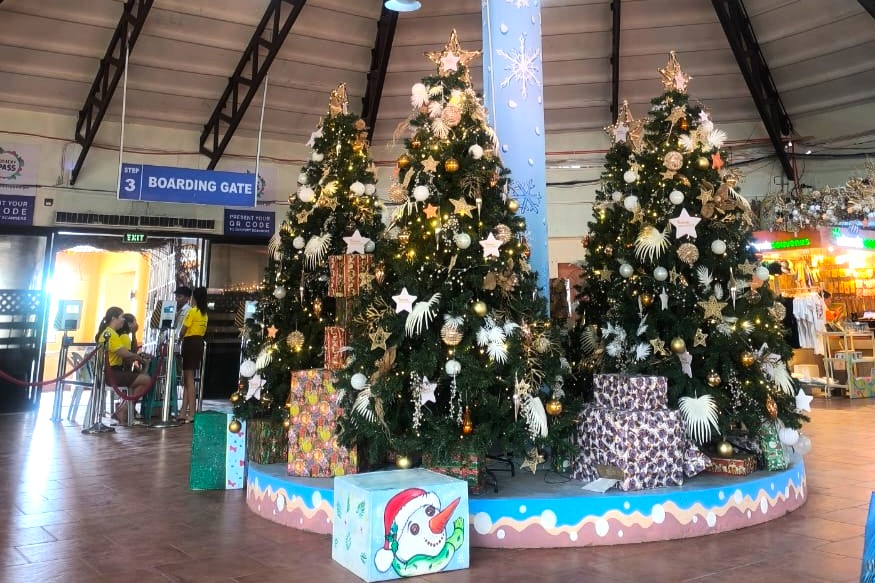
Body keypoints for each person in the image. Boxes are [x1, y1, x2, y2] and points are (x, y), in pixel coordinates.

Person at [94, 307, 150, 425]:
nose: (123, 320)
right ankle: (122, 410)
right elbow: (123, 353)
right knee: (146, 379)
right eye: (122, 317)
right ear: (114, 318)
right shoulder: (110, 334)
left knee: (141, 378)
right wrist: (139, 358)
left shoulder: (112, 333)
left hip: (113, 371)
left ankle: (122, 410)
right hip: (112, 373)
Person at [178, 286, 208, 423]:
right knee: (187, 380)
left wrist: (178, 338)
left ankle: (192, 413)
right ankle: (183, 411)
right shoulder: (204, 313)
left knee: (188, 380)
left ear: (193, 298)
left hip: (189, 343)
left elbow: (183, 330)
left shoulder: (193, 312)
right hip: (199, 344)